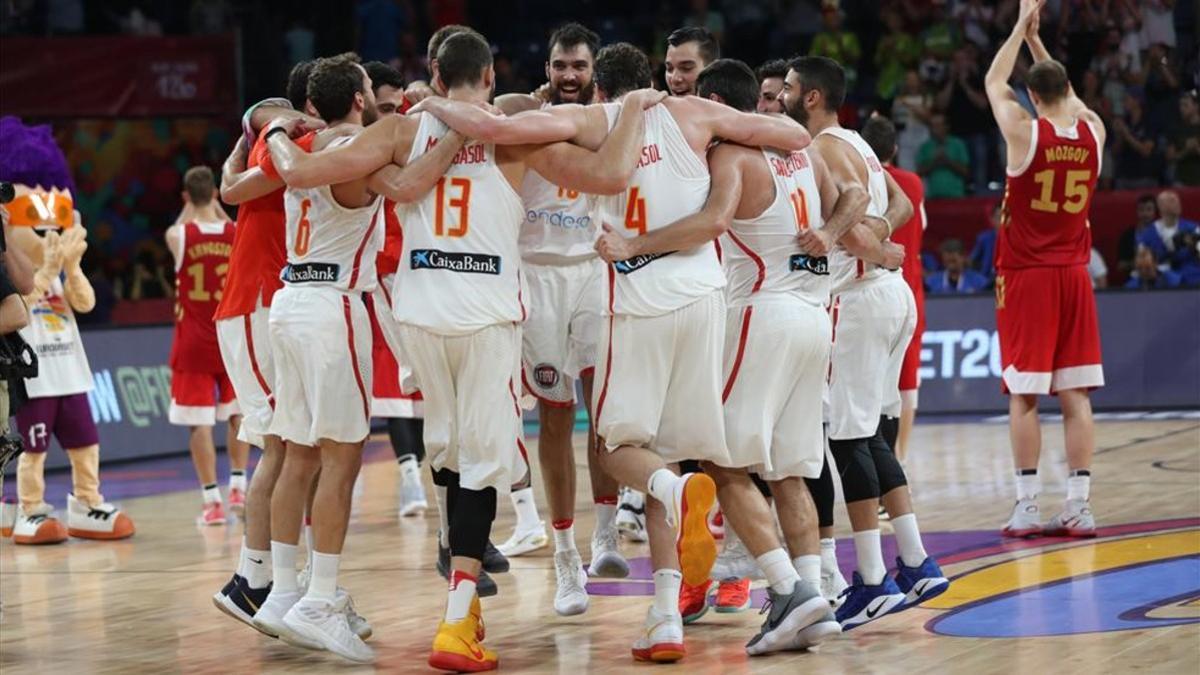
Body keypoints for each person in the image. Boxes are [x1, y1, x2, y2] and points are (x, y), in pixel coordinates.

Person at [266, 32, 668, 671]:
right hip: (485, 315)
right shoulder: (512, 137)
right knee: (484, 466)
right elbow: (612, 174)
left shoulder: (400, 133)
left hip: (421, 313)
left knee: (450, 457)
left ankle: (450, 603)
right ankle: (456, 622)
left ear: (433, 72)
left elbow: (302, 172)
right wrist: (637, 110)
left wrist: (272, 129)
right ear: (489, 74)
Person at [419, 40, 811, 663]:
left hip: (633, 298)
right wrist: (733, 142)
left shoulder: (590, 120)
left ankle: (672, 505)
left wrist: (433, 101)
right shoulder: (695, 114)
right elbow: (792, 135)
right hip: (705, 294)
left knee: (622, 448)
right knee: (695, 457)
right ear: (653, 80)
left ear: (599, 87)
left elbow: (495, 126)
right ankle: (689, 612)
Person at [596, 57, 844, 653]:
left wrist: (634, 243)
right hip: (816, 316)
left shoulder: (732, 157)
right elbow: (856, 195)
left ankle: (788, 590)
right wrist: (836, 234)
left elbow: (710, 222)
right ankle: (810, 596)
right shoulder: (806, 153)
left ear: (716, 109)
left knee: (720, 464)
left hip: (763, 311)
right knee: (788, 472)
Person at [256, 53, 464, 663]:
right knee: (341, 462)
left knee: (298, 455)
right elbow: (407, 186)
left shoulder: (304, 140)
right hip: (332, 305)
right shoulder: (353, 142)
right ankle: (320, 599)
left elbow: (247, 181)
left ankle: (282, 591)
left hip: (287, 301)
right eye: (372, 86)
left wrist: (268, 124)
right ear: (356, 95)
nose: (378, 93)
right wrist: (457, 134)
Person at [782, 56, 947, 630]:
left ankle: (874, 582)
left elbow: (852, 215)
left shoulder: (824, 148)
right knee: (873, 437)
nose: (780, 94)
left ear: (812, 97)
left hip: (861, 299)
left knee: (849, 439)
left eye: (788, 88)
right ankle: (917, 560)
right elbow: (896, 205)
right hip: (890, 294)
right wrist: (882, 244)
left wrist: (863, 245)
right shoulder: (857, 140)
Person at [490, 22, 630, 616]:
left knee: (606, 411)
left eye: (578, 66)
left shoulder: (608, 121)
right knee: (553, 418)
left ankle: (605, 531)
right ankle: (564, 556)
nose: (569, 75)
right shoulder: (525, 115)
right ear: (545, 69)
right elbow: (496, 108)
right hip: (538, 277)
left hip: (592, 274)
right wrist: (536, 104)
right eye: (559, 66)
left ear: (593, 69)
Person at [985, 0, 1106, 540]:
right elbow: (1066, 94)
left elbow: (993, 80)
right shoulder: (1093, 131)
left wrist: (1019, 27)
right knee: (1075, 394)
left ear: (1032, 97)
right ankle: (1079, 505)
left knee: (1024, 394)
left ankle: (1028, 505)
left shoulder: (1023, 132)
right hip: (1075, 274)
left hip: (1028, 275)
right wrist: (1038, 44)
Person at [210, 60, 322, 628]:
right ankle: (251, 580)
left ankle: (276, 576)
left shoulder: (303, 144)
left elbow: (231, 187)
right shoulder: (286, 137)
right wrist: (274, 124)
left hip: (273, 304)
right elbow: (258, 120)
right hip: (253, 303)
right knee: (279, 445)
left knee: (297, 444)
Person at [360, 60, 431, 521]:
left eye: (396, 105)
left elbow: (426, 92)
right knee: (394, 387)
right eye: (380, 106)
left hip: (426, 267)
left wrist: (425, 97)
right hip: (380, 275)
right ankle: (409, 477)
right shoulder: (357, 141)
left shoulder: (412, 122)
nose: (391, 113)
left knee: (430, 384)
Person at [165, 166, 249, 526]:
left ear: (185, 197)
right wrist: (217, 205)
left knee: (199, 423)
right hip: (230, 338)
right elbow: (225, 220)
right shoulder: (234, 231)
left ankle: (211, 501)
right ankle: (239, 487)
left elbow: (181, 223)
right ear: (216, 193)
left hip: (193, 342)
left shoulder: (179, 235)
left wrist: (195, 206)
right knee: (238, 415)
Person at [862, 116, 926, 467]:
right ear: (896, 150)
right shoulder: (913, 183)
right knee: (905, 381)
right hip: (909, 290)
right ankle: (897, 462)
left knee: (867, 379)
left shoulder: (857, 178)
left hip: (868, 286)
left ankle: (876, 466)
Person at [917, 113, 970, 198]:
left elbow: (966, 172)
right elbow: (919, 173)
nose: (935, 129)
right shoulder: (925, 147)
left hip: (957, 197)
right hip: (933, 197)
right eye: (932, 126)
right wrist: (935, 162)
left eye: (938, 125)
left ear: (946, 126)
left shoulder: (958, 144)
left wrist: (947, 160)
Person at [665, 26, 719, 96]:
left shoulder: (734, 106)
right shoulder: (653, 104)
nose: (674, 79)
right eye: (669, 69)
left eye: (686, 68)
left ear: (713, 70)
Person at [1117, 194, 1159, 277]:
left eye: (1149, 209)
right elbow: (1120, 266)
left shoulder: (1161, 233)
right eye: (1141, 210)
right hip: (1135, 280)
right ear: (1137, 211)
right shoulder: (1128, 235)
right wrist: (1138, 264)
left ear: (1155, 212)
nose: (1145, 213)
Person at [1166, 91, 1200, 186]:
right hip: (1181, 181)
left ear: (1196, 106)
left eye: (1185, 105)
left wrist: (1196, 149)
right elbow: (1169, 157)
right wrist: (1186, 150)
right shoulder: (1176, 129)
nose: (1182, 108)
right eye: (1180, 105)